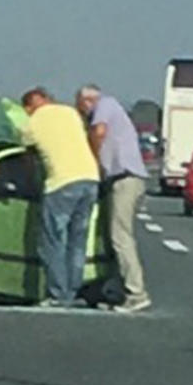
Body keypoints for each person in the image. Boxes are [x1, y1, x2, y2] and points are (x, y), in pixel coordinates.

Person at [21, 88, 101, 308]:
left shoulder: (31, 123)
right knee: (77, 241)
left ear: (29, 107)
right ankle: (73, 292)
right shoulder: (70, 112)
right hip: (90, 178)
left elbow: (28, 160)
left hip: (61, 183)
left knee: (54, 241)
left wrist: (32, 184)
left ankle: (57, 293)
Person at [77, 84, 152, 312]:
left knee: (120, 236)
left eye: (80, 107)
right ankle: (117, 289)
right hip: (118, 178)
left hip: (125, 178)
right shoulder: (110, 108)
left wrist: (93, 160)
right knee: (111, 237)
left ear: (87, 100)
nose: (82, 113)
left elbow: (99, 132)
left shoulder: (105, 105)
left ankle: (136, 292)